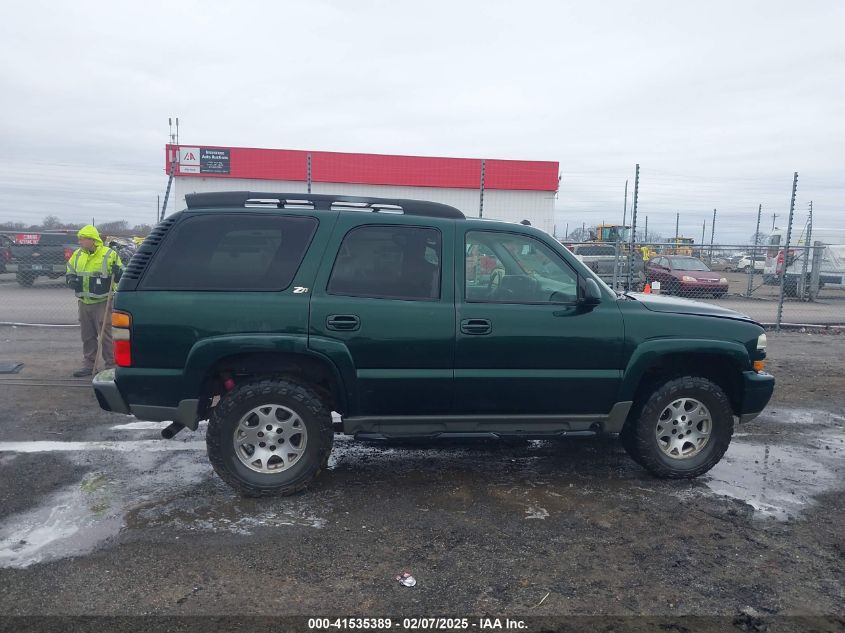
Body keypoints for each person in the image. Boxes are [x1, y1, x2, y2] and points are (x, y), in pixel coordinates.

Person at [66, 225, 123, 377]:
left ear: (92, 240)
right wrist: (71, 280)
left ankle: (111, 365)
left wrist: (118, 274)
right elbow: (70, 270)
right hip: (84, 302)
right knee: (87, 335)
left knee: (107, 335)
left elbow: (122, 275)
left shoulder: (109, 254)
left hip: (104, 302)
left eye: (82, 239)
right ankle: (89, 365)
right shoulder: (77, 255)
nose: (79, 242)